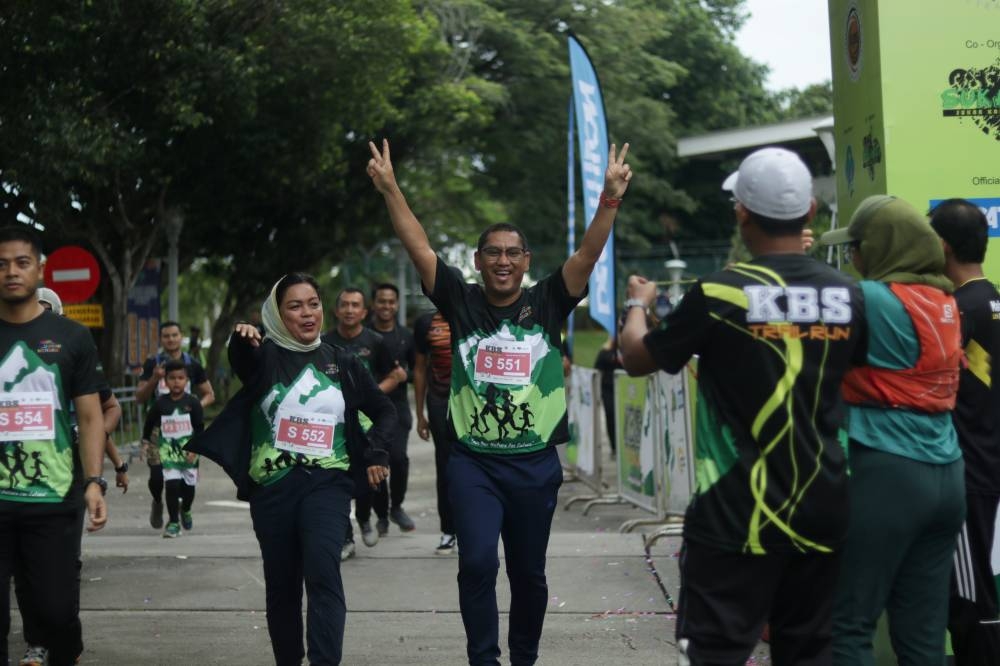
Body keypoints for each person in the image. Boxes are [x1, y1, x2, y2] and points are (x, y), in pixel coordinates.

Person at [367, 137, 632, 665]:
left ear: (526, 261)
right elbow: (418, 246)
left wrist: (610, 200)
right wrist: (390, 188)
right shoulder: (460, 300)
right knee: (479, 563)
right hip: (473, 464)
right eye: (494, 252)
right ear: (478, 261)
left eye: (513, 252)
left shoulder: (548, 300)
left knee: (529, 573)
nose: (503, 260)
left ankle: (524, 657)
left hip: (535, 465)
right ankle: (484, 659)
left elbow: (587, 254)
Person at [619, 147, 865, 665]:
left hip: (735, 514)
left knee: (715, 653)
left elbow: (639, 358)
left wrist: (638, 304)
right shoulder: (849, 295)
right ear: (811, 214)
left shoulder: (721, 292)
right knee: (810, 653)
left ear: (742, 212)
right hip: (823, 508)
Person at [186, 272, 394, 665]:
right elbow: (241, 359)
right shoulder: (264, 358)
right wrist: (241, 338)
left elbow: (383, 410)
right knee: (282, 587)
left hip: (328, 483)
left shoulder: (341, 361)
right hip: (273, 490)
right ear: (277, 314)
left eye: (313, 303)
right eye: (294, 306)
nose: (307, 313)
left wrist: (377, 453)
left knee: (322, 572)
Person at [820, 195, 965, 665]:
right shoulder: (945, 300)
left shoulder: (871, 298)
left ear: (881, 246)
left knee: (848, 625)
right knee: (922, 639)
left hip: (887, 470)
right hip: (947, 474)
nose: (853, 258)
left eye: (856, 247)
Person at [0, 225, 108, 666]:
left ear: (39, 268)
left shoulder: (72, 337)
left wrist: (96, 481)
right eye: (1, 264)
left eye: (21, 262)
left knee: (56, 610)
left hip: (55, 497)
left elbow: (89, 414)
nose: (11, 272)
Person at [930, 199, 1000, 664]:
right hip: (990, 468)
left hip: (971, 473)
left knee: (971, 601)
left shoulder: (956, 312)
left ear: (941, 246)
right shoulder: (992, 299)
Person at [321, 288, 405, 559]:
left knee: (368, 475)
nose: (349, 310)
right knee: (338, 476)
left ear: (363, 312)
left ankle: (365, 518)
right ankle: (345, 537)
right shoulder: (324, 342)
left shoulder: (376, 341)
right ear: (335, 311)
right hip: (336, 424)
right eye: (343, 305)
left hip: (368, 422)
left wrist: (369, 396)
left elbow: (397, 375)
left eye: (355, 305)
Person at [136, 320, 214, 530]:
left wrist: (193, 407)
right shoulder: (153, 363)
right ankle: (158, 501)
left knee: (183, 480)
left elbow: (209, 394)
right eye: (166, 336)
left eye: (174, 335)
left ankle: (180, 509)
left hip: (185, 430)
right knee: (156, 476)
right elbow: (140, 398)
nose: (171, 339)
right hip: (157, 430)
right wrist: (154, 379)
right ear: (161, 339)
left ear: (181, 337)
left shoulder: (193, 364)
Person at [367, 282, 417, 534]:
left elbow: (416, 371)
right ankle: (381, 515)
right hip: (368, 410)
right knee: (375, 462)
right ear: (373, 304)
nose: (386, 306)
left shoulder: (406, 336)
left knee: (398, 459)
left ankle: (396, 507)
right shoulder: (363, 335)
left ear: (396, 304)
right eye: (381, 301)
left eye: (391, 302)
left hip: (397, 408)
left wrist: (404, 375)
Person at [141, 360, 205, 538]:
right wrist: (145, 442)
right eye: (172, 378)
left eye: (180, 378)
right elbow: (149, 423)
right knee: (171, 486)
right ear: (165, 381)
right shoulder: (160, 403)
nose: (176, 381)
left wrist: (196, 450)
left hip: (189, 452)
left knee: (188, 489)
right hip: (167, 452)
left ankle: (186, 509)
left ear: (187, 380)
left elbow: (200, 428)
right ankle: (174, 523)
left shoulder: (193, 403)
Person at [413, 309, 457, 554]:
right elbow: (419, 369)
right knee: (446, 464)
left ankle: (474, 527)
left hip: (472, 402)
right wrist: (420, 415)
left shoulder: (477, 314)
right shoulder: (426, 322)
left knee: (476, 465)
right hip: (440, 401)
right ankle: (448, 531)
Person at [593, 333, 623, 456]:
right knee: (610, 415)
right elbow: (597, 369)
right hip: (607, 389)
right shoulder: (604, 352)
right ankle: (614, 446)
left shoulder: (623, 352)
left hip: (622, 389)